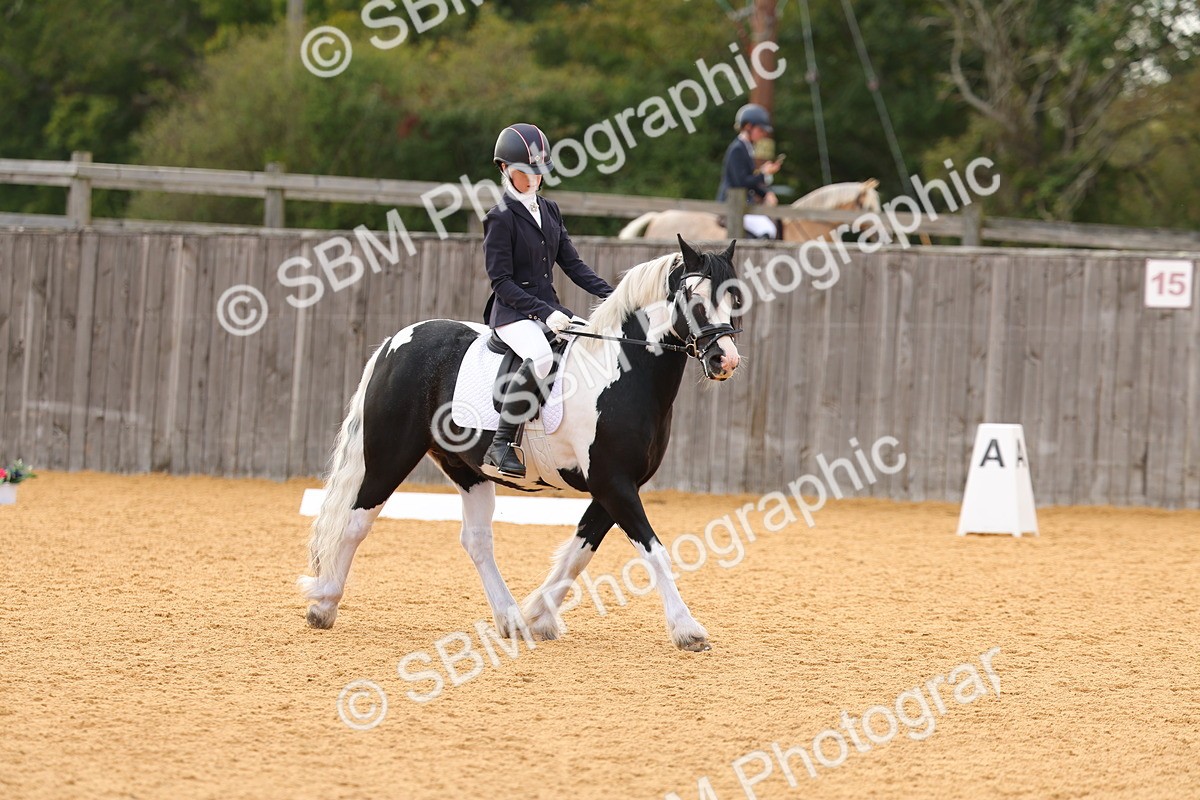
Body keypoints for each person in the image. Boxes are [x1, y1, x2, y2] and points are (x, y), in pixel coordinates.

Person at [480, 122, 615, 479]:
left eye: (540, 173)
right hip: (512, 314)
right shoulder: (500, 217)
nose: (535, 180)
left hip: (548, 310)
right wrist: (543, 312)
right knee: (539, 356)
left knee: (590, 341)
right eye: (527, 173)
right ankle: (501, 444)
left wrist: (615, 296)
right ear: (506, 170)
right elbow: (501, 281)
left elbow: (572, 264)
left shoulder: (550, 210)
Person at [717, 103, 784, 239]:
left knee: (773, 222)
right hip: (732, 204)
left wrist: (766, 193)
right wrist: (764, 173)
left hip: (743, 203)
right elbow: (741, 182)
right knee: (767, 229)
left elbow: (750, 182)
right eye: (760, 130)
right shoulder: (737, 149)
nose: (763, 134)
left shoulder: (746, 148)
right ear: (748, 126)